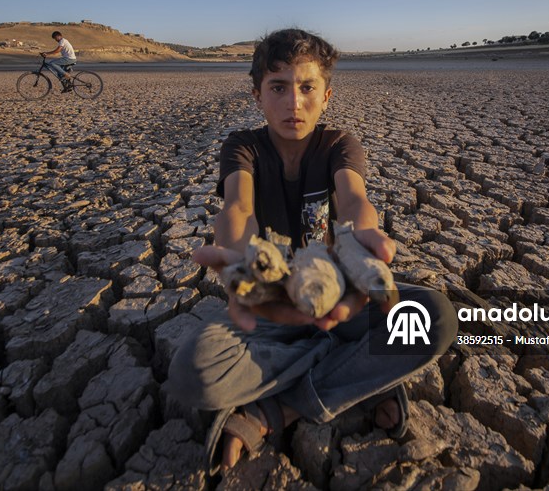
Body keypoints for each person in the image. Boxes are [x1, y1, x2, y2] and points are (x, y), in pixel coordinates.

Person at [168, 28, 457, 475]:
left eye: (307, 88)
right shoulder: (243, 146)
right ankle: (356, 375)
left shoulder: (338, 144)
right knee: (192, 372)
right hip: (272, 309)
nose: (293, 102)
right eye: (278, 88)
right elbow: (238, 206)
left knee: (433, 317)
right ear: (257, 95)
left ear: (327, 96)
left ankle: (276, 411)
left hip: (340, 299)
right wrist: (239, 253)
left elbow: (356, 197)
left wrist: (364, 248)